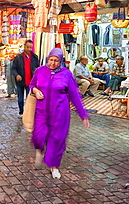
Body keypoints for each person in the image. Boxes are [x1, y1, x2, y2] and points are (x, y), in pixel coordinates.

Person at [30, 48, 90, 179]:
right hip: (42, 110)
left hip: (60, 113)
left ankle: (54, 167)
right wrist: (35, 90)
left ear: (61, 61)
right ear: (47, 58)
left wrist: (83, 114)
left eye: (56, 61)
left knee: (57, 140)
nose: (52, 63)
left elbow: (74, 95)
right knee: (39, 135)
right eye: (51, 60)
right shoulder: (40, 71)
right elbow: (32, 84)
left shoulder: (66, 74)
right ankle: (39, 149)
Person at [11, 40, 39, 117]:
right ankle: (21, 112)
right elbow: (13, 68)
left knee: (29, 99)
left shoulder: (35, 57)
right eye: (27, 47)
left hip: (30, 82)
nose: (29, 49)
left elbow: (38, 69)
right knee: (20, 99)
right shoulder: (18, 58)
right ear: (24, 47)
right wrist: (17, 75)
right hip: (20, 82)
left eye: (30, 47)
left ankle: (28, 113)